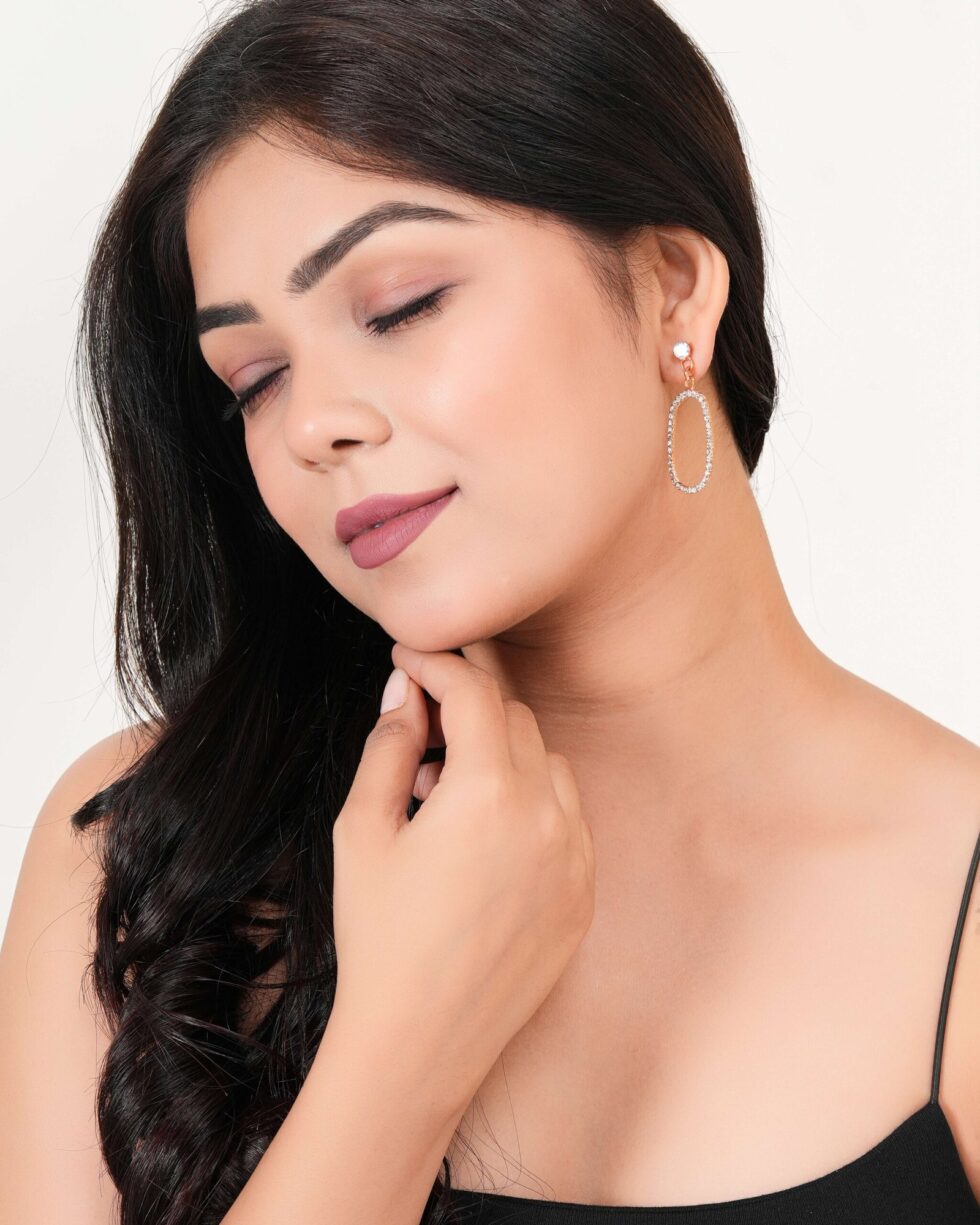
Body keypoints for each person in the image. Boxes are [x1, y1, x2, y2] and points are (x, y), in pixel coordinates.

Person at [1, 1, 978, 1223]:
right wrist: (400, 1049)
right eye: (255, 378)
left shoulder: (951, 895)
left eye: (400, 305)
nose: (313, 425)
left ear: (674, 290)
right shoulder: (147, 859)